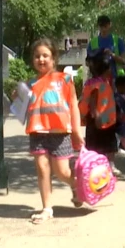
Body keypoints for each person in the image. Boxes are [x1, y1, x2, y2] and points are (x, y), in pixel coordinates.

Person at [24, 39, 85, 224]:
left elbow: (73, 105)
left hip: (60, 133)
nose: (41, 59)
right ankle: (47, 208)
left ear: (53, 59)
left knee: (62, 172)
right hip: (37, 132)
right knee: (42, 170)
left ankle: (76, 186)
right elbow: (21, 106)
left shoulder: (64, 79)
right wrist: (17, 95)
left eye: (45, 55)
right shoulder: (29, 84)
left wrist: (76, 131)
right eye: (37, 56)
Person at [79, 51, 123, 177]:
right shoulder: (97, 84)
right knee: (96, 145)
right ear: (104, 69)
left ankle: (109, 165)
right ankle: (96, 166)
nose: (111, 70)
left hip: (105, 120)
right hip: (97, 120)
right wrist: (96, 115)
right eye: (109, 68)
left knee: (109, 145)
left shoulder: (103, 82)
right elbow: (93, 101)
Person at [87, 15, 125, 81]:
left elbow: (123, 61)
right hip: (98, 79)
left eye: (105, 26)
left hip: (116, 79)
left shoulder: (118, 40)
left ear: (109, 25)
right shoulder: (92, 43)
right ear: (98, 27)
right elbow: (87, 62)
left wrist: (112, 55)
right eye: (101, 26)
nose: (103, 29)